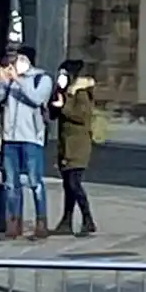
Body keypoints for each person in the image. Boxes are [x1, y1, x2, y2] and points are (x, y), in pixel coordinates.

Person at [0, 48, 55, 240]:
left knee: (35, 182)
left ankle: (41, 222)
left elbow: (37, 98)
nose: (12, 66)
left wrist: (18, 80)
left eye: (15, 61)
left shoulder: (41, 79)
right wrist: (1, 81)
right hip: (10, 138)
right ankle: (13, 223)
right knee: (11, 184)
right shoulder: (10, 81)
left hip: (31, 138)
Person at [51, 56, 102, 238]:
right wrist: (56, 101)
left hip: (78, 145)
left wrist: (64, 106)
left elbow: (81, 116)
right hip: (66, 145)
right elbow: (53, 114)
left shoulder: (81, 93)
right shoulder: (66, 91)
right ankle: (66, 220)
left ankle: (88, 220)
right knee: (67, 185)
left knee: (74, 183)